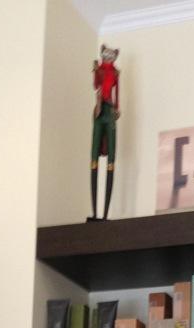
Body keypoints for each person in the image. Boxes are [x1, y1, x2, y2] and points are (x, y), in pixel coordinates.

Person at [89, 45, 120, 221]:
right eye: (105, 54)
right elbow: (96, 86)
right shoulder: (99, 70)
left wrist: (117, 109)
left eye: (110, 55)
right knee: (93, 158)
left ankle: (105, 214)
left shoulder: (115, 73)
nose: (108, 57)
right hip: (99, 112)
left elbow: (117, 94)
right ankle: (95, 212)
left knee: (111, 160)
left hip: (109, 112)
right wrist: (95, 71)